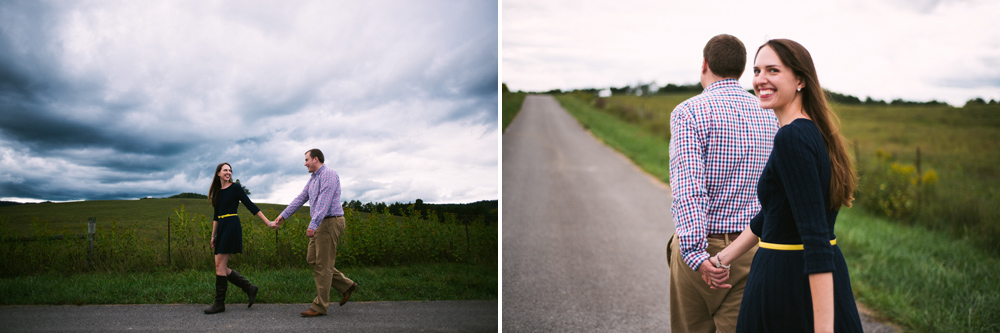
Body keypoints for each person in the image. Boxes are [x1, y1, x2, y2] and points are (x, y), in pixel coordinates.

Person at [709, 39, 864, 332]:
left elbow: (815, 237)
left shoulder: (791, 138)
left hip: (789, 282)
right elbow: (776, 211)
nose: (760, 79)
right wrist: (724, 258)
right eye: (756, 71)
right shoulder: (810, 131)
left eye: (773, 70)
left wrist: (823, 329)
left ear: (800, 80)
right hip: (795, 272)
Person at [666, 34, 779, 333]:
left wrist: (695, 254)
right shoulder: (769, 114)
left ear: (704, 63)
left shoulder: (688, 112)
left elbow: (689, 188)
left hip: (702, 249)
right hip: (751, 248)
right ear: (742, 71)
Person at [273, 148, 357, 317]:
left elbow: (324, 203)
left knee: (323, 266)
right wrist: (283, 215)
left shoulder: (329, 175)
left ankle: (320, 306)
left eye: (306, 160)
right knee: (312, 259)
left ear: (316, 159)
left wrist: (313, 224)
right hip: (321, 223)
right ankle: (346, 285)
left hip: (329, 222)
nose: (305, 163)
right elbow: (300, 198)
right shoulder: (313, 179)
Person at [204, 162, 274, 314]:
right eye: (225, 170)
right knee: (219, 265)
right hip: (221, 226)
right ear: (218, 173)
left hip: (231, 225)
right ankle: (249, 288)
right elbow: (216, 216)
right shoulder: (217, 192)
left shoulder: (235, 187)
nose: (228, 172)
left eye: (230, 170)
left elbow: (250, 205)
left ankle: (219, 303)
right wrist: (213, 236)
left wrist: (268, 221)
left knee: (220, 264)